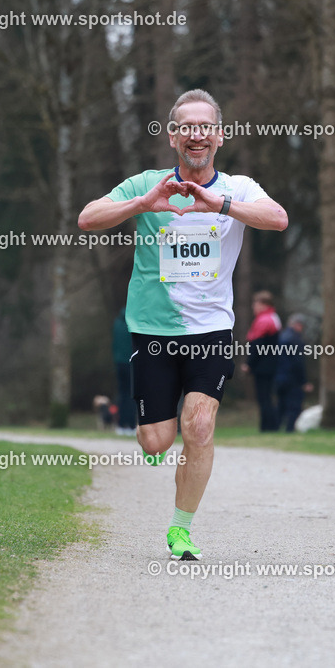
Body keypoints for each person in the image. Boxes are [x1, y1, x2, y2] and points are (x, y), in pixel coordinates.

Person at [78, 89, 287, 560]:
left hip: (211, 330)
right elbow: (88, 219)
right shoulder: (147, 185)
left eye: (204, 126)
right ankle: (150, 431)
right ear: (173, 137)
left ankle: (181, 529)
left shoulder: (237, 189)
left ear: (219, 136)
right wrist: (144, 203)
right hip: (153, 330)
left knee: (200, 425)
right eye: (185, 126)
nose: (196, 134)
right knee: (157, 442)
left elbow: (278, 218)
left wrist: (221, 207)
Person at [244, 291, 281, 432]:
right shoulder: (274, 317)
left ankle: (267, 427)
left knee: (263, 397)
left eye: (256, 303)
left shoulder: (264, 320)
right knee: (268, 396)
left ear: (264, 305)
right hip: (271, 364)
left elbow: (257, 344)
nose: (254, 306)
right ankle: (272, 425)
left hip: (263, 366)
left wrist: (249, 363)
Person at [275, 313, 312, 432]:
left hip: (279, 377)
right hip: (293, 379)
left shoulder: (281, 337)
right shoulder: (296, 340)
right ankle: (290, 429)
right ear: (298, 325)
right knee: (294, 406)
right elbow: (298, 363)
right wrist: (304, 381)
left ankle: (276, 428)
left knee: (281, 405)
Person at [112, 307, 137, 434]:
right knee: (131, 394)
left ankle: (121, 425)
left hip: (119, 363)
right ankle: (131, 425)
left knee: (122, 394)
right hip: (130, 362)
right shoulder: (133, 324)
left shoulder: (117, 323)